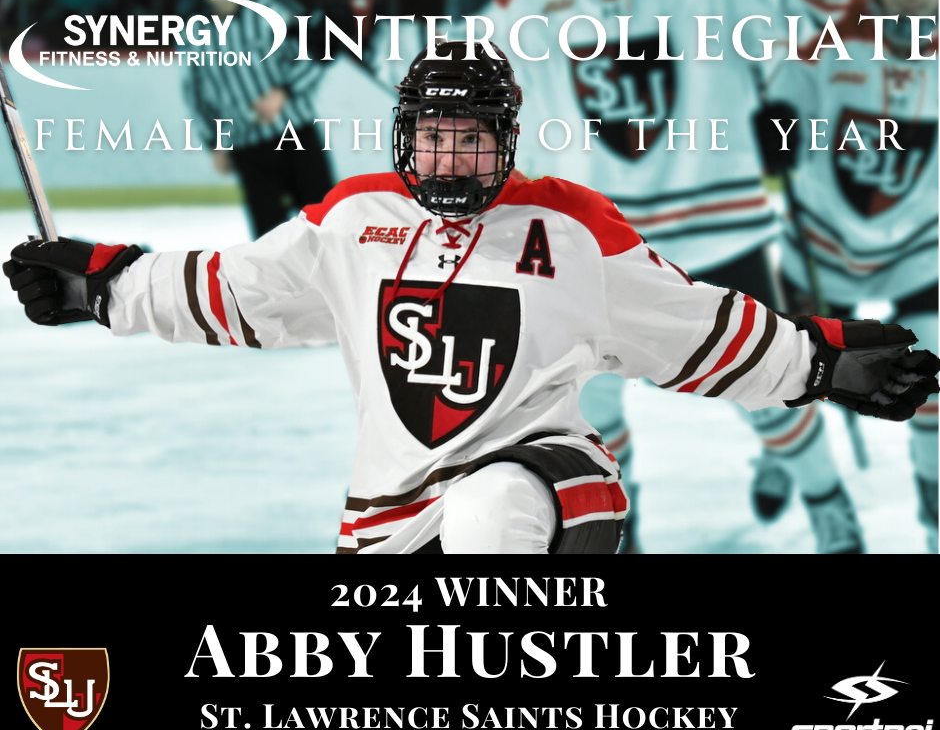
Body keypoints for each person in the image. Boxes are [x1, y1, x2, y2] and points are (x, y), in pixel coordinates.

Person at [4, 42, 937, 555]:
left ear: (509, 142)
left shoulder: (572, 228)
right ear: (406, 138)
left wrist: (817, 361)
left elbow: (691, 326)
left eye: (474, 140)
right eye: (435, 138)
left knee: (494, 512)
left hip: (548, 480)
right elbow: (236, 291)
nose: (453, 160)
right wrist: (103, 282)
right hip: (388, 510)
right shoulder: (352, 218)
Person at [478, 0, 869, 553]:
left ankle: (824, 498)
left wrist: (790, 108)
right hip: (593, 246)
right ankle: (611, 522)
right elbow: (483, 119)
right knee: (587, 402)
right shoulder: (520, 6)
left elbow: (819, 4)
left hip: (719, 231)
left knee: (769, 383)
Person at [763, 0, 939, 551]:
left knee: (935, 377)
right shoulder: (826, 41)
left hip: (919, 246)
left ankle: (934, 481)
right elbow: (780, 113)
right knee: (785, 375)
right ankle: (789, 464)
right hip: (823, 243)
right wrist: (777, 129)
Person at [183, 0, 335, 239]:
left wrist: (283, 92)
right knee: (268, 234)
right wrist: (214, 142)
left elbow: (315, 56)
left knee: (324, 221)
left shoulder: (273, 10)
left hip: (295, 135)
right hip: (247, 147)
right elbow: (196, 92)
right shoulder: (194, 32)